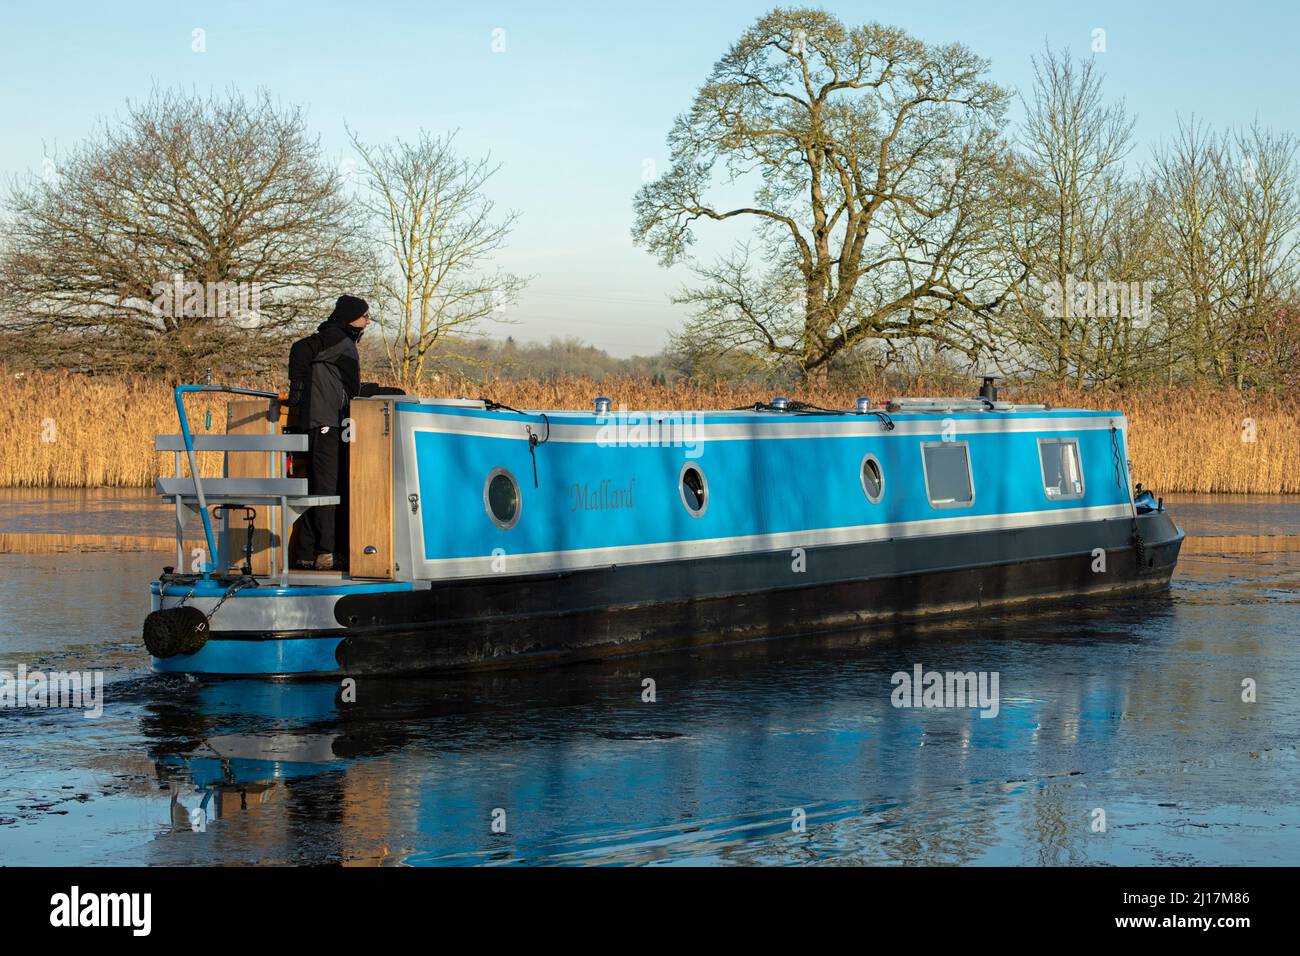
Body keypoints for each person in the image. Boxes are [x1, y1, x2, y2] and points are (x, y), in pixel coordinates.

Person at [286, 294, 369, 570]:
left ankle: (307, 552)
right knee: (326, 489)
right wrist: (297, 389)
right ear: (351, 317)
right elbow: (299, 350)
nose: (368, 321)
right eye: (365, 316)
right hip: (325, 423)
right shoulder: (335, 337)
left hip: (328, 422)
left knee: (317, 487)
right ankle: (325, 552)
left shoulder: (339, 338)